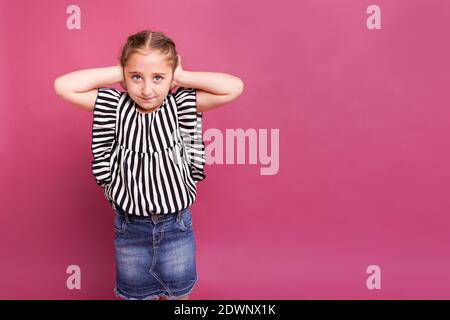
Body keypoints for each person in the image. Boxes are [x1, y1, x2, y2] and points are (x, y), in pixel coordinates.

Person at [54, 29, 244, 300]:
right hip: (131, 228)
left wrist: (182, 77)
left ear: (171, 77)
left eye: (158, 78)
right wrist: (119, 70)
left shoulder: (180, 105)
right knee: (136, 296)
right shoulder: (116, 107)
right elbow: (63, 86)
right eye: (135, 77)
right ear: (124, 76)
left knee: (178, 296)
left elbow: (234, 87)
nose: (146, 89)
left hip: (176, 227)